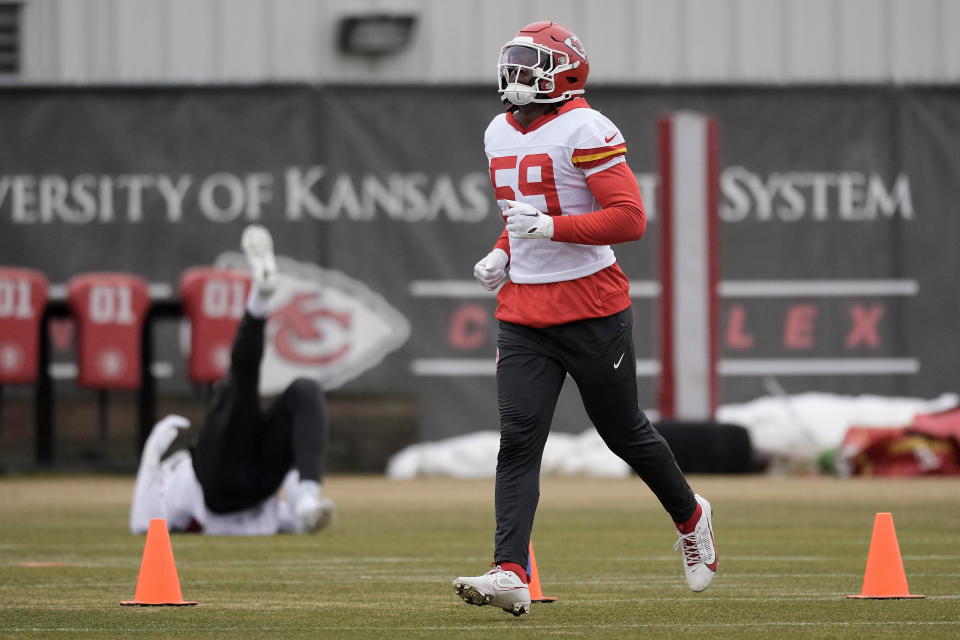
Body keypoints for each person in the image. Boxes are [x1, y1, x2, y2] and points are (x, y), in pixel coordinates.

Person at [452, 22, 717, 616]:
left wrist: (548, 230)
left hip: (592, 305)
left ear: (564, 71)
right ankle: (510, 570)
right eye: (513, 62)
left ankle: (692, 516)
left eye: (531, 63)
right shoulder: (498, 129)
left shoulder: (585, 128)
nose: (516, 75)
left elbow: (629, 218)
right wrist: (504, 250)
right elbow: (524, 213)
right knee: (519, 438)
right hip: (524, 311)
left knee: (623, 432)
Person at [130, 224, 335, 535]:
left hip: (249, 485)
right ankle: (259, 302)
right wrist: (152, 456)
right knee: (241, 386)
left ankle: (310, 497)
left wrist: (152, 456)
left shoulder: (180, 484)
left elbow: (141, 522)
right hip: (218, 479)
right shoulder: (187, 484)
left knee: (301, 389)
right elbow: (142, 526)